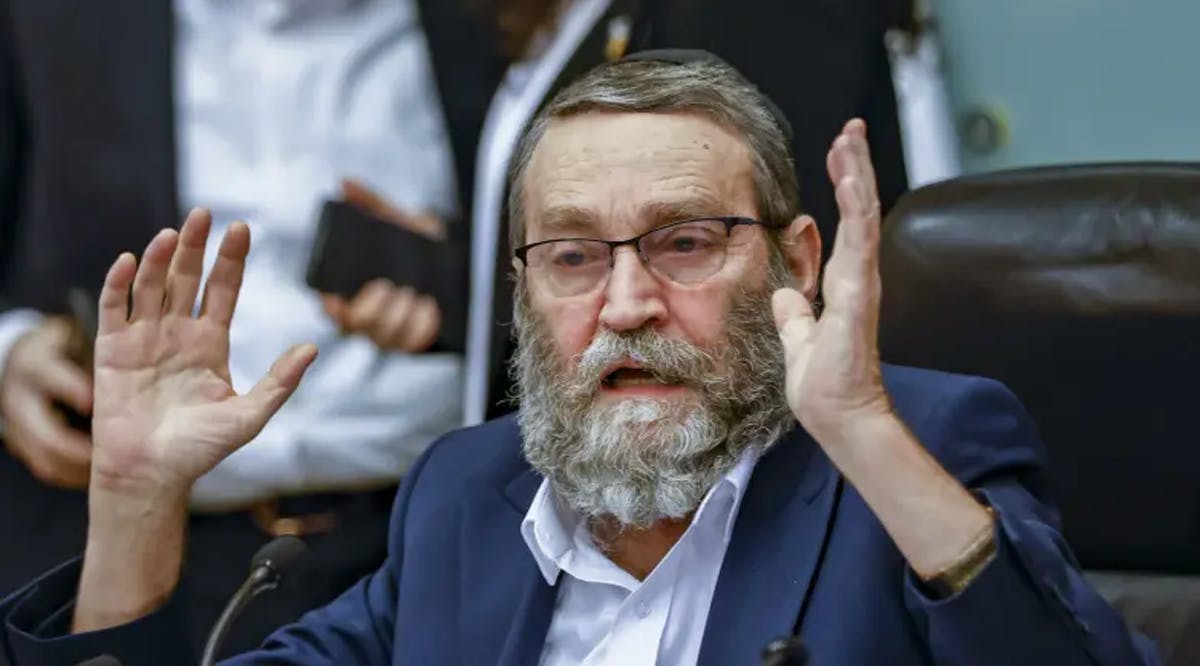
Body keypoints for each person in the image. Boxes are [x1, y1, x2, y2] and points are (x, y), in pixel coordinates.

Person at [0, 54, 1158, 665]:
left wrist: (864, 437)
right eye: (568, 257)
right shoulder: (466, 497)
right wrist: (137, 499)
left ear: (797, 262)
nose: (625, 303)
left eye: (686, 243)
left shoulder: (924, 452)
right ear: (520, 289)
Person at [0, 0, 463, 655]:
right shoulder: (49, 18)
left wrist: (451, 279)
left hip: (422, 530)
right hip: (135, 534)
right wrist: (10, 353)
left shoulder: (494, 21)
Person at [347, 0, 913, 423]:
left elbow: (768, 264)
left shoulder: (749, 12)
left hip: (700, 494)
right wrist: (458, 270)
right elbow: (630, 231)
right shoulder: (561, 20)